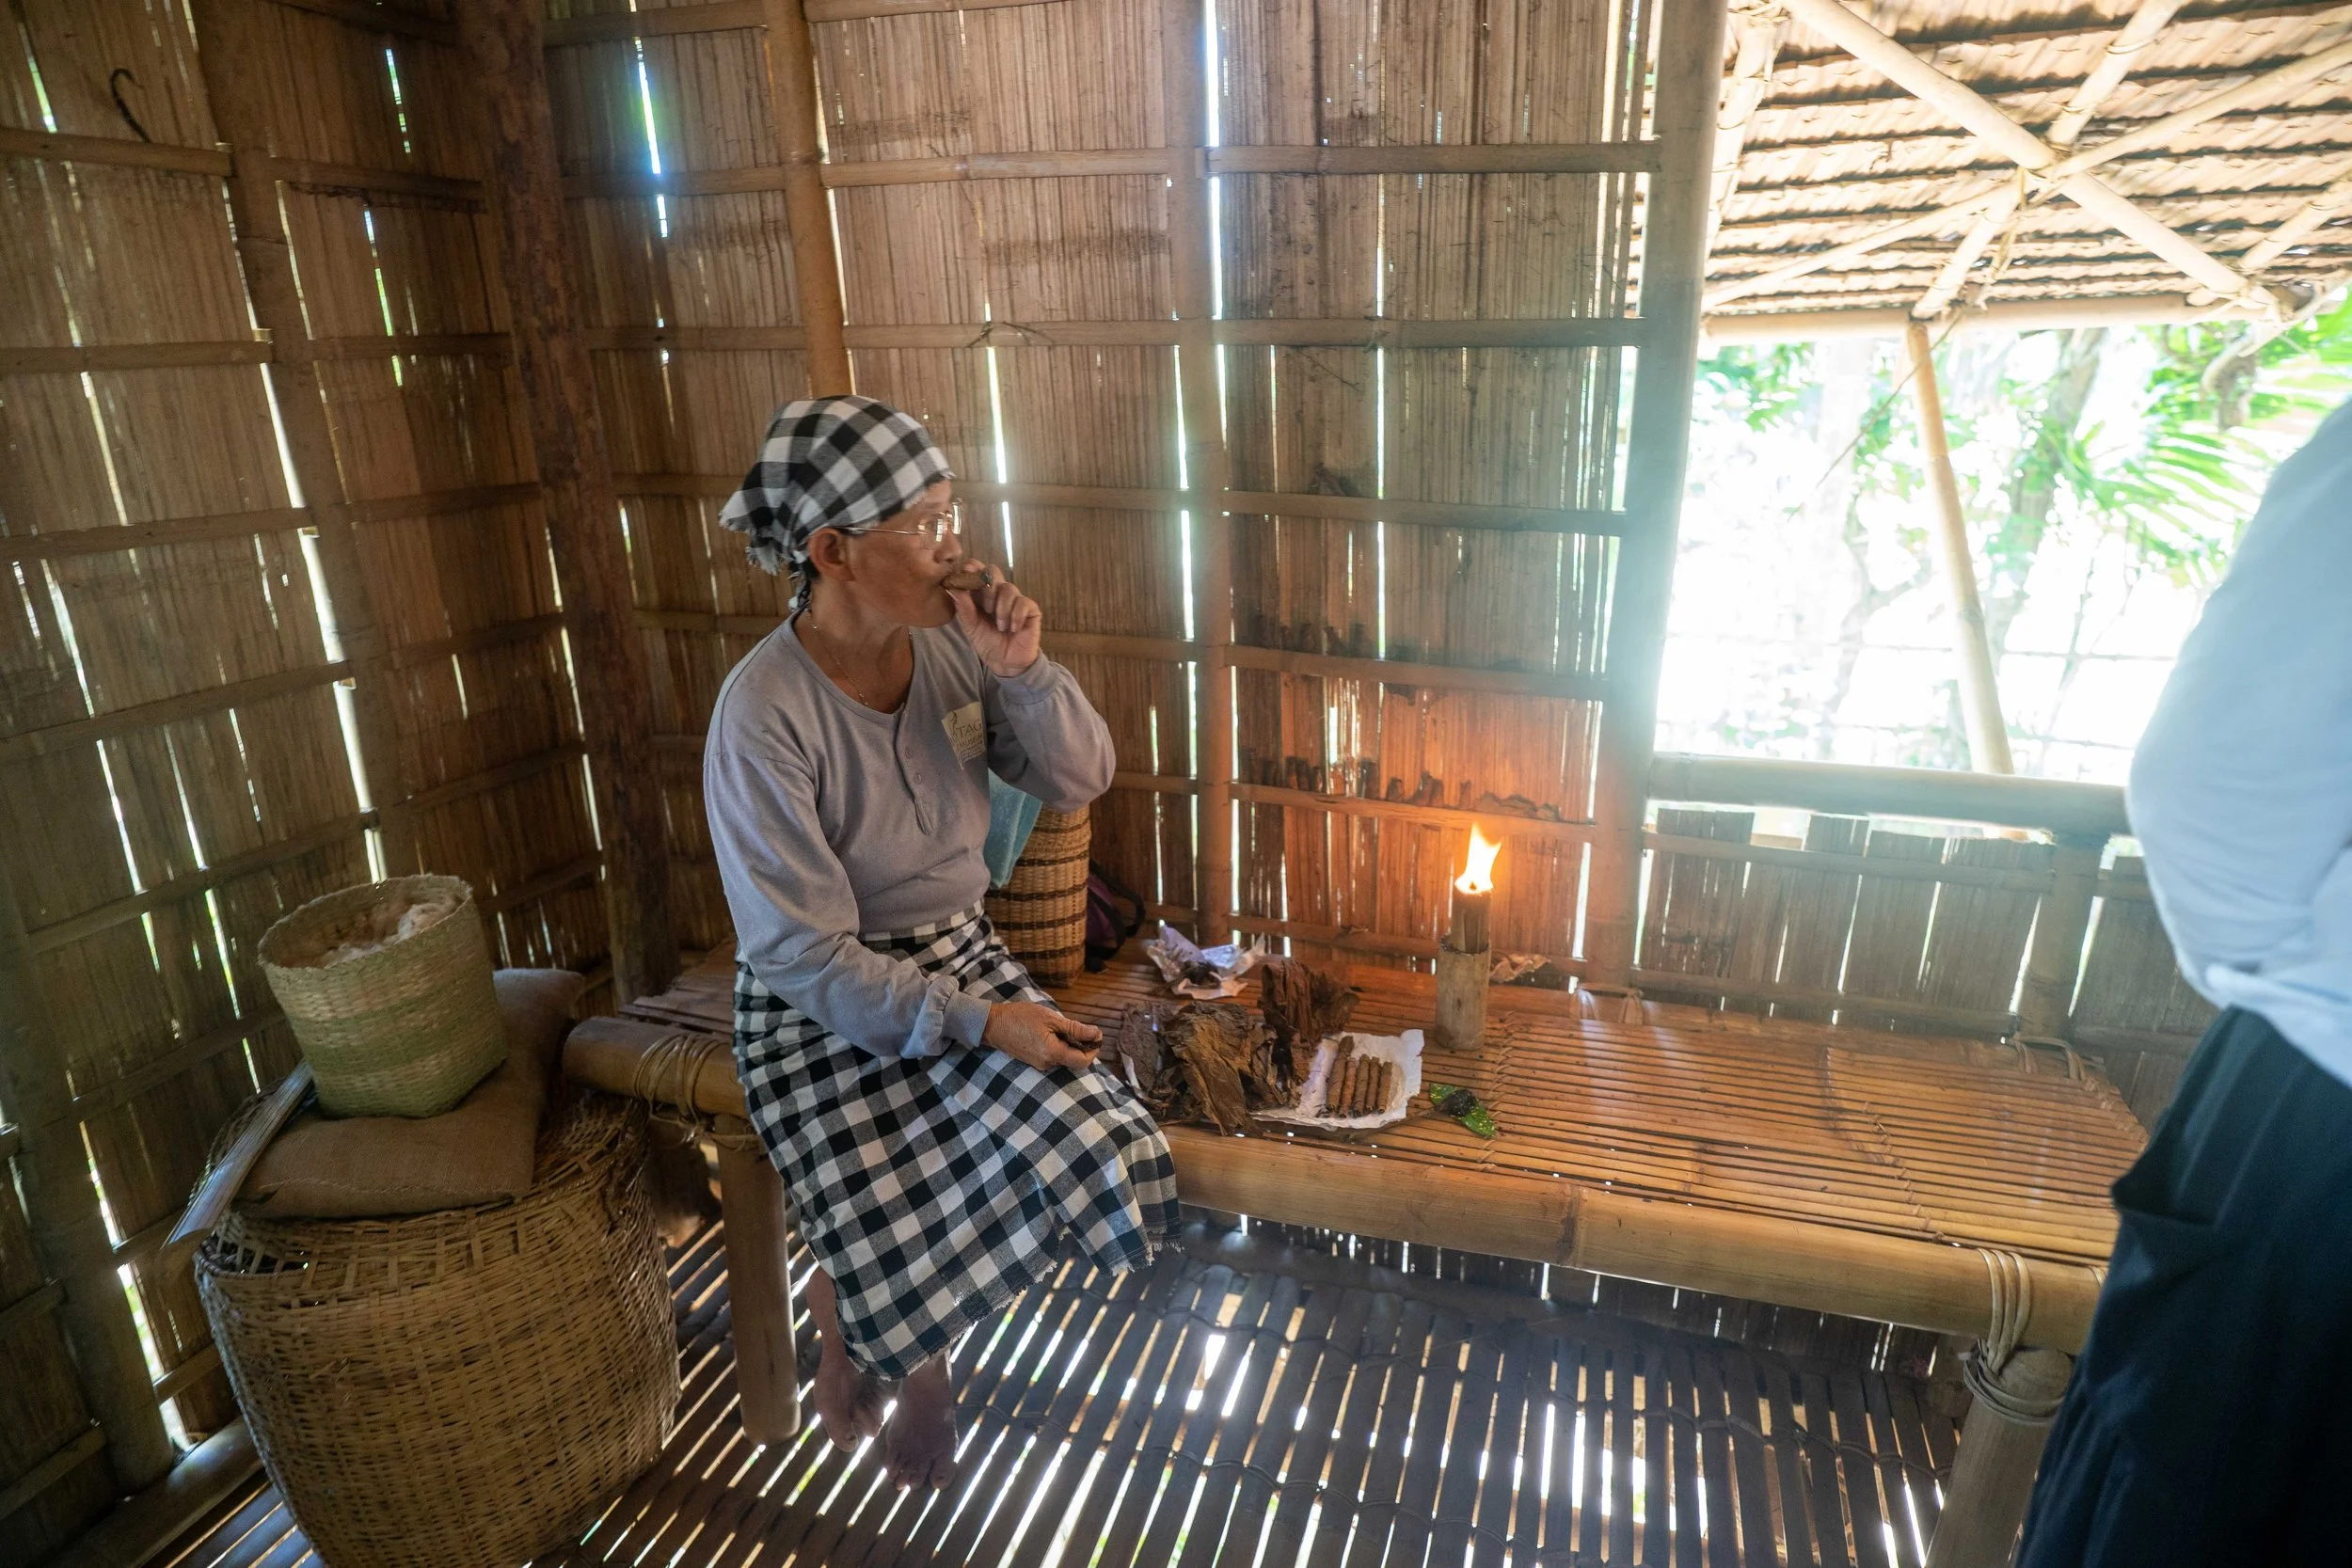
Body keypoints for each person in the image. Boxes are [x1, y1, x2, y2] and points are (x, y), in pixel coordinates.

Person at [703, 395, 1180, 1491]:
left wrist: (1019, 666)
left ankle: (867, 1314)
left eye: (951, 513)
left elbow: (1078, 777)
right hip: (814, 995)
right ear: (833, 550)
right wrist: (977, 1021)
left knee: (1098, 1146)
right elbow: (803, 953)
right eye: (923, 524)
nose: (954, 547)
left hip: (958, 951)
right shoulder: (762, 713)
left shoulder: (959, 654)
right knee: (876, 1177)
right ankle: (901, 1354)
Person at [2019, 398, 2352, 1564]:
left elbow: (2218, 786)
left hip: (2320, 1117)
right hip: (2323, 1113)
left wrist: (2309, 986)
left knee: (2179, 1499)